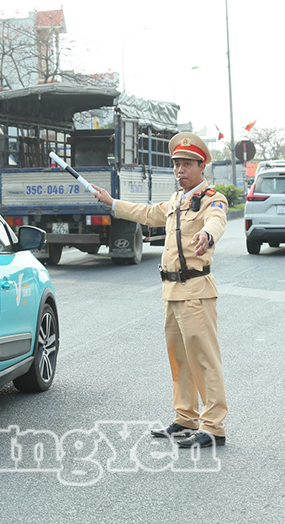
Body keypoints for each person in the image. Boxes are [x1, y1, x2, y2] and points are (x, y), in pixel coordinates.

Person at [91, 132, 229, 449]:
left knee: (205, 360)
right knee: (179, 360)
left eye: (186, 165)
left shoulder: (212, 199)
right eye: (176, 165)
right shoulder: (176, 201)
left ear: (201, 165)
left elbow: (217, 220)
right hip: (171, 292)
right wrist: (111, 203)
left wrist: (208, 234)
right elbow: (147, 213)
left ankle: (214, 426)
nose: (179, 170)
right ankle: (186, 418)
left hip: (196, 290)